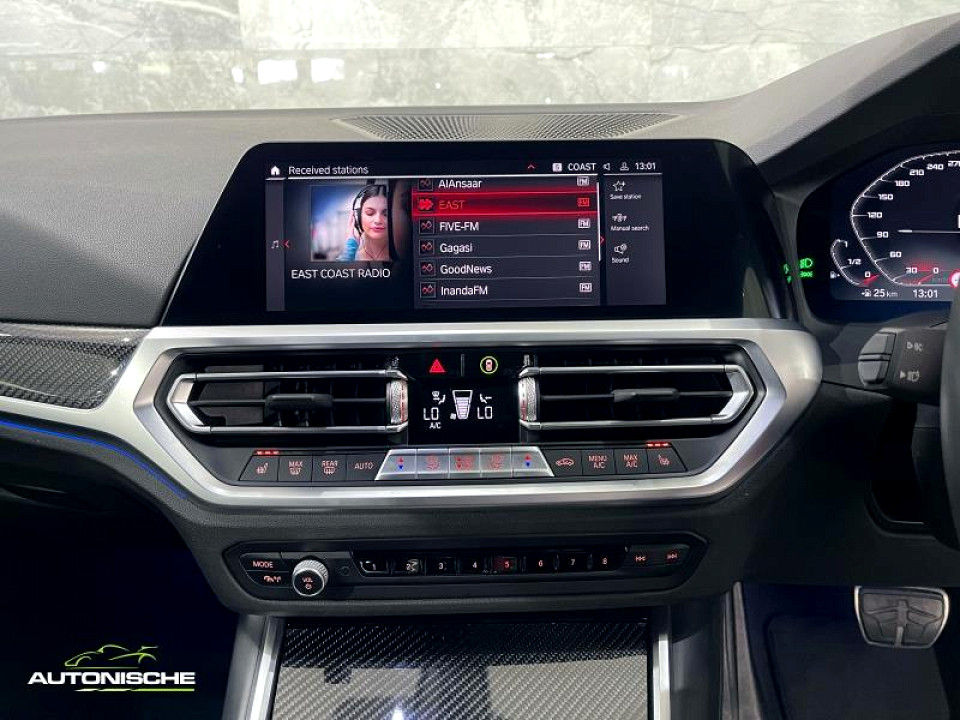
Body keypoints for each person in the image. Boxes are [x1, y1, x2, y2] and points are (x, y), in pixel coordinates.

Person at [337, 184, 391, 261]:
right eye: (370, 213)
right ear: (358, 217)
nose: (378, 220)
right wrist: (350, 250)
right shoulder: (350, 256)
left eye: (386, 214)